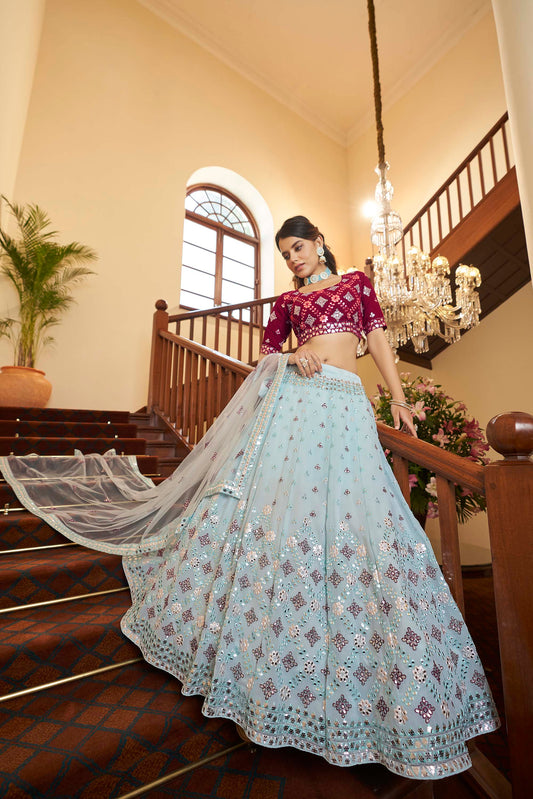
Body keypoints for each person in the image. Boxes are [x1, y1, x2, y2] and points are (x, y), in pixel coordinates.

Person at [0, 216, 499, 781]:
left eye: (299, 247)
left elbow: (379, 338)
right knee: (285, 513)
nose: (294, 258)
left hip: (346, 407)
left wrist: (400, 398)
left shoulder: (357, 283)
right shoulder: (286, 303)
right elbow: (265, 356)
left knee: (355, 519)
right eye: (286, 253)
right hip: (297, 403)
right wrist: (291, 357)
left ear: (319, 243)